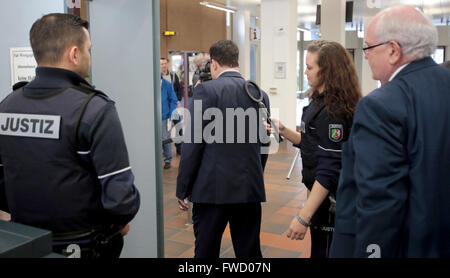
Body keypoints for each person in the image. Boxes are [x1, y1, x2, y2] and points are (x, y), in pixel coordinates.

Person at [0, 13, 140, 258]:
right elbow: (119, 196)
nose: (89, 55)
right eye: (88, 49)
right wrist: (120, 221)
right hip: (84, 245)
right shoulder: (94, 109)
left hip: (26, 242)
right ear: (74, 54)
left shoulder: (7, 106)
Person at [330, 6, 450, 258]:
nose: (366, 56)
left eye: (369, 48)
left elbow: (379, 201)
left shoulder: (381, 104)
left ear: (393, 50)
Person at [176, 40, 270, 258]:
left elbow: (192, 145)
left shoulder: (206, 92)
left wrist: (183, 188)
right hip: (249, 189)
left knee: (206, 253)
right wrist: (255, 173)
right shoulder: (258, 94)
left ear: (214, 63)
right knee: (249, 253)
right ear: (236, 61)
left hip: (211, 191)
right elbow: (264, 144)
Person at [270, 40, 361, 258]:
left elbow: (330, 169)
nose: (305, 71)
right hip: (322, 198)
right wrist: (284, 130)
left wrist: (303, 216)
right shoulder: (319, 101)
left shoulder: (334, 111)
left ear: (327, 71)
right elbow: (313, 143)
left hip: (333, 203)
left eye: (310, 67)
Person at [160, 58, 183, 155]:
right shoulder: (156, 77)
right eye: (162, 64)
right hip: (165, 108)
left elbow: (179, 88)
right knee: (164, 131)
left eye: (165, 63)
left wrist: (178, 100)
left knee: (178, 127)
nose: (164, 65)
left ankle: (179, 148)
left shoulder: (173, 75)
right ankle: (164, 151)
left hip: (174, 106)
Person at [161, 76, 178, 169]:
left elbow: (173, 100)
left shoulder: (166, 84)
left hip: (165, 116)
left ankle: (168, 159)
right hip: (153, 117)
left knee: (165, 138)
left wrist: (171, 114)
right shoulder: (150, 83)